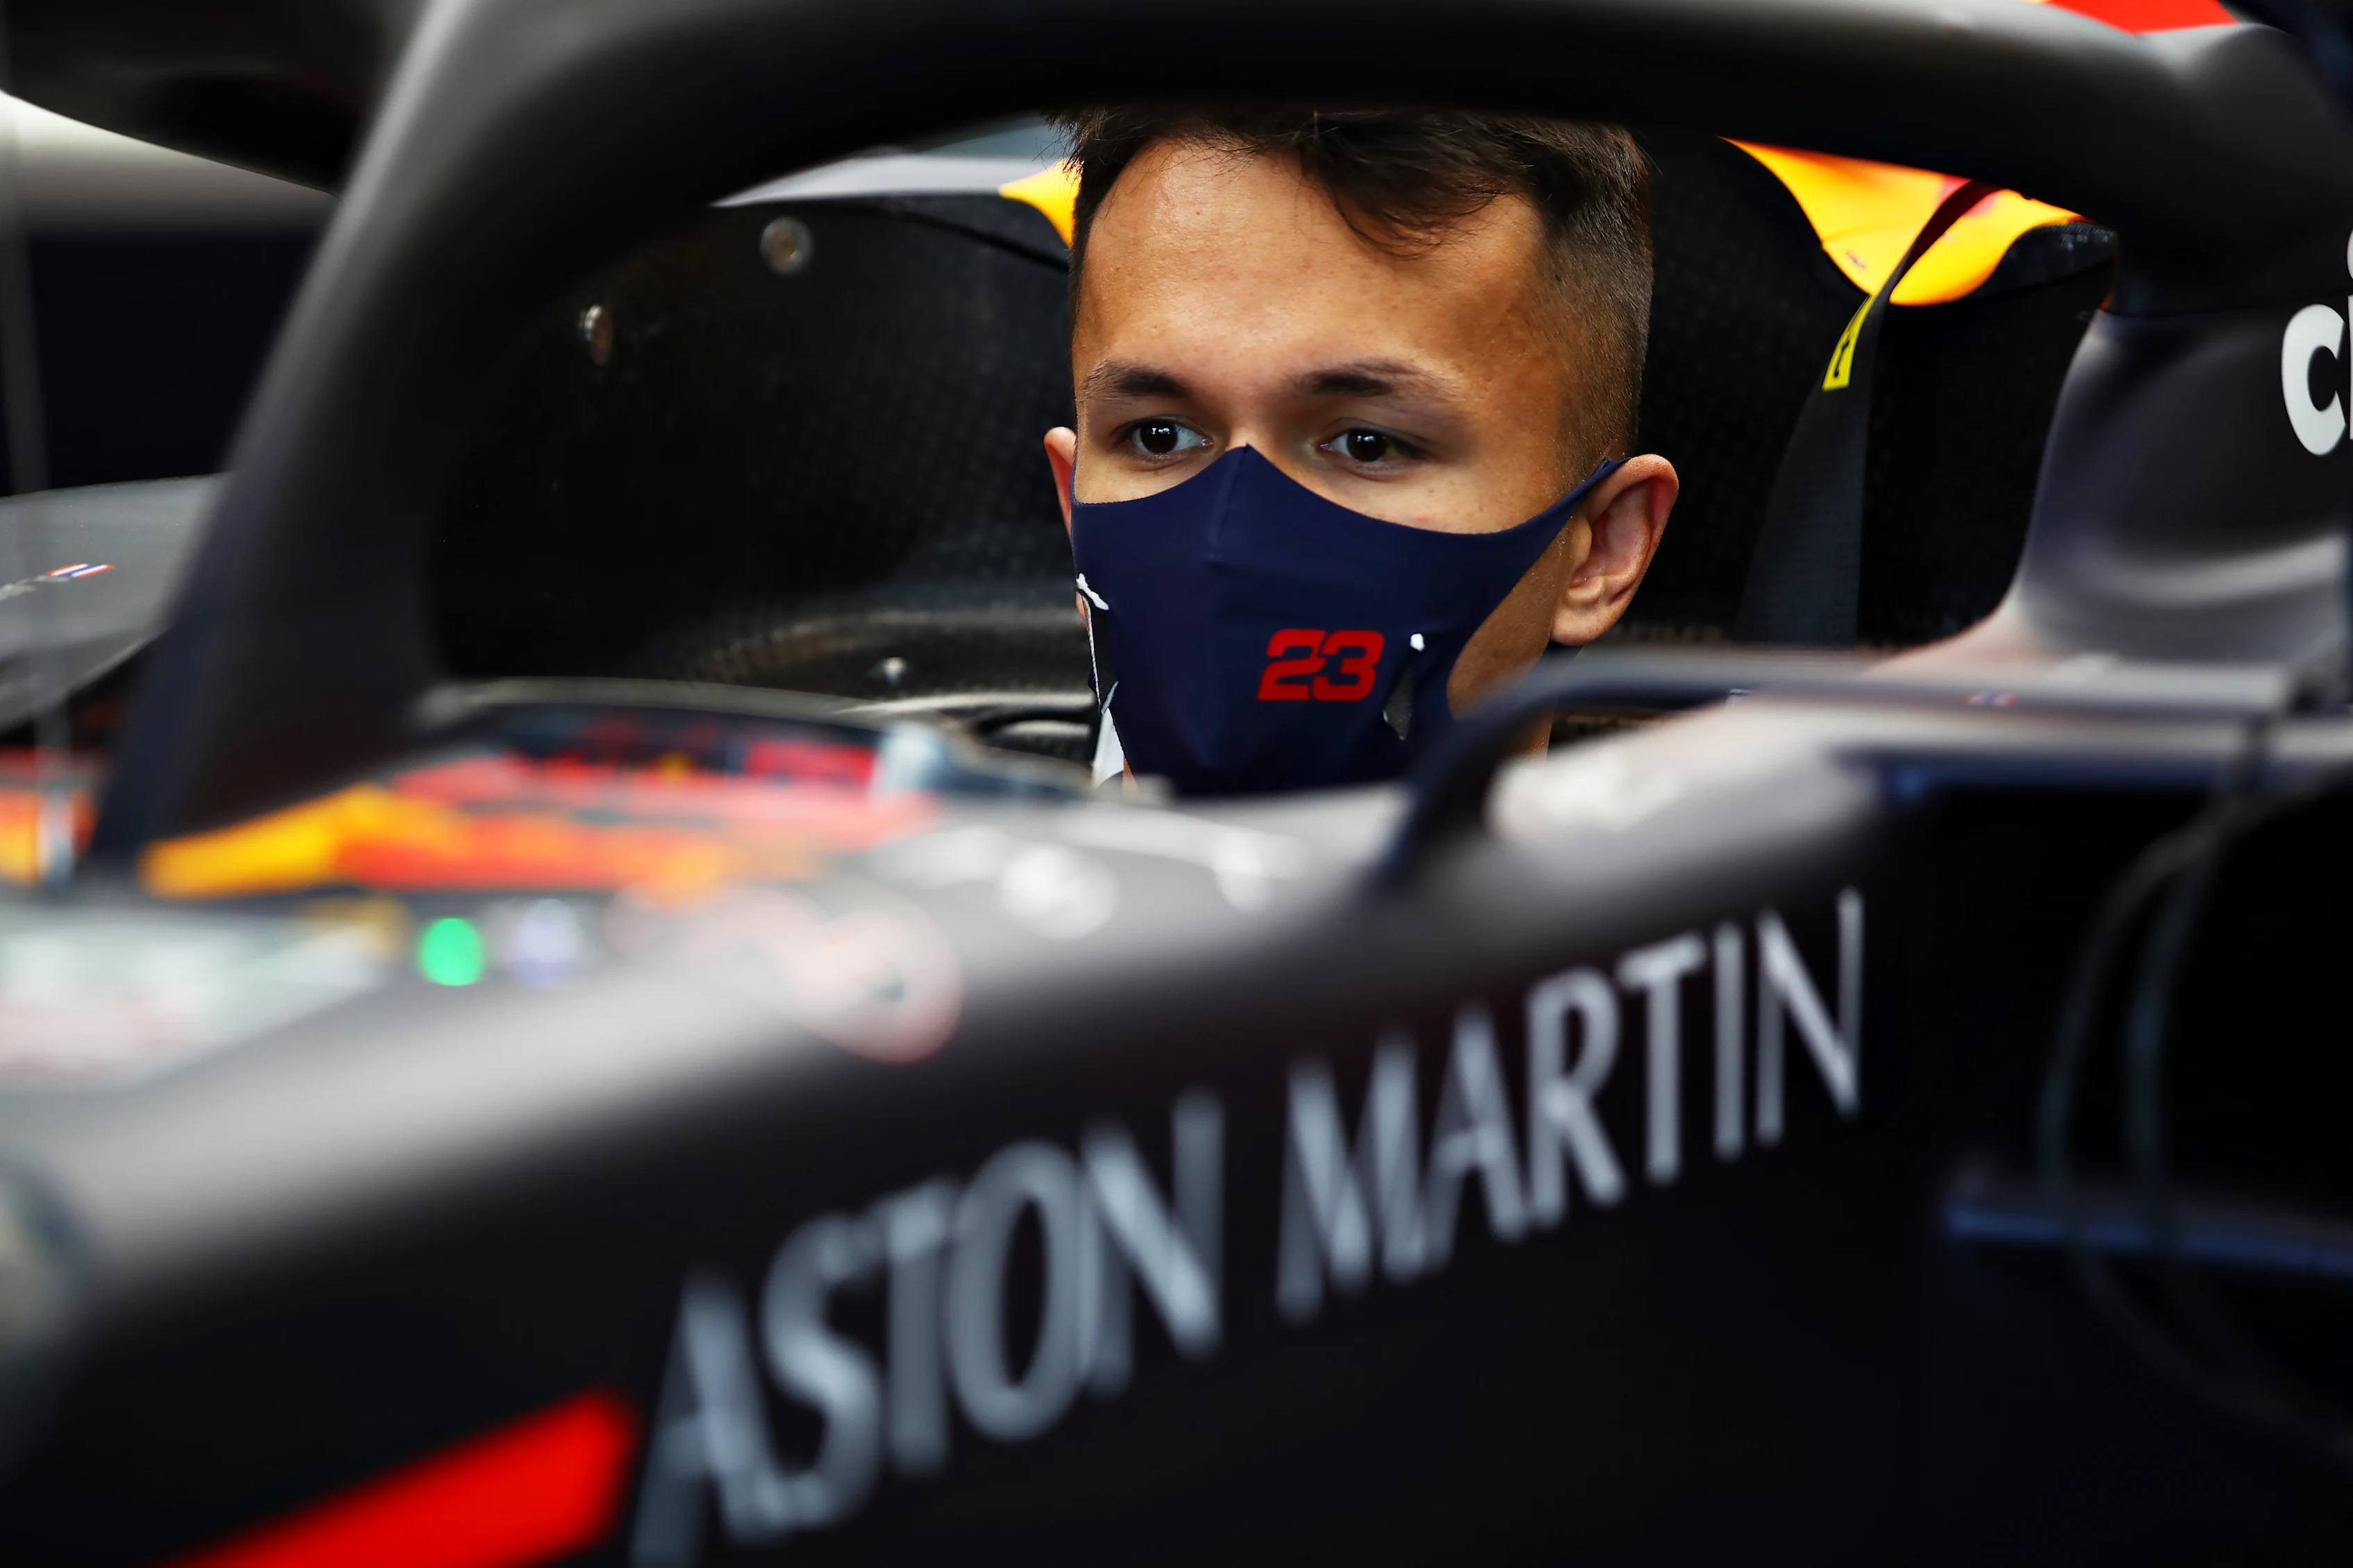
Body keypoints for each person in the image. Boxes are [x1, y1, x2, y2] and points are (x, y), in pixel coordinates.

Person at [1041, 106, 1678, 795]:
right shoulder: (923, 885)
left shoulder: (1764, 894)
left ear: (1601, 551)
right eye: (1159, 435)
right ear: (1074, 509)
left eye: (1366, 444)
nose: (1230, 538)